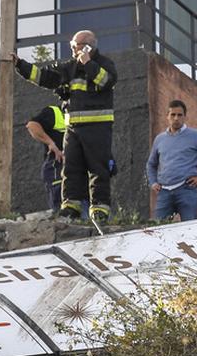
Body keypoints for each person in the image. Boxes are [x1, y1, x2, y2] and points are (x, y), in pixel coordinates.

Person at [12, 29, 118, 224]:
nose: (72, 49)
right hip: (74, 129)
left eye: (75, 46)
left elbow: (106, 81)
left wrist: (87, 62)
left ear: (88, 46)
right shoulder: (69, 67)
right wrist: (20, 65)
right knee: (70, 169)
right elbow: (45, 77)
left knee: (98, 169)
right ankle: (70, 206)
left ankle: (99, 209)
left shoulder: (104, 64)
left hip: (97, 127)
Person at [146, 100, 197, 221]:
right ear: (167, 116)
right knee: (159, 230)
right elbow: (151, 164)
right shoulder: (160, 139)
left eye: (179, 115)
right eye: (173, 115)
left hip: (186, 190)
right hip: (164, 192)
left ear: (185, 117)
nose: (176, 118)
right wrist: (153, 182)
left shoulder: (196, 136)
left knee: (189, 229)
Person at [26, 87, 70, 215]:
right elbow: (32, 125)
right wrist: (51, 143)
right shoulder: (54, 112)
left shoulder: (79, 117)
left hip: (75, 168)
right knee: (60, 205)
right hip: (57, 165)